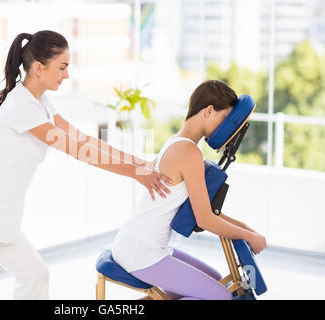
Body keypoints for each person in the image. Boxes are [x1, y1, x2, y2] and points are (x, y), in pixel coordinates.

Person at [0, 30, 172, 300]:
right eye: (62, 67)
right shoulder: (21, 106)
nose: (67, 75)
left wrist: (140, 162)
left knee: (35, 275)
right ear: (39, 68)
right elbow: (78, 150)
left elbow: (83, 139)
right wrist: (137, 173)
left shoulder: (40, 102)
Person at [111, 80, 267, 300]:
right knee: (221, 297)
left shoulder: (177, 142)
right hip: (141, 253)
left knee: (214, 279)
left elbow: (205, 211)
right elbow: (205, 219)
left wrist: (247, 230)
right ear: (209, 111)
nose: (226, 128)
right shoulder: (188, 152)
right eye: (225, 119)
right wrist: (248, 235)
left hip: (142, 245)